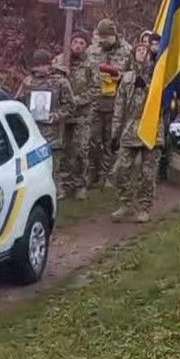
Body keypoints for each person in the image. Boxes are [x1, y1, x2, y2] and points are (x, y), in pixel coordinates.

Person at [109, 42, 160, 224]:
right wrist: (115, 133)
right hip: (130, 129)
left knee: (147, 173)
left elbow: (162, 100)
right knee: (121, 169)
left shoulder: (157, 75)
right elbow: (119, 106)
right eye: (138, 50)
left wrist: (146, 86)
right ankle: (125, 203)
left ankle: (144, 207)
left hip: (151, 129)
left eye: (145, 50)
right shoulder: (127, 78)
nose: (141, 53)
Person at [15, 49, 74, 197]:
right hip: (33, 131)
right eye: (38, 65)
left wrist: (55, 116)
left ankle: (57, 191)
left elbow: (70, 106)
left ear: (49, 65)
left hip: (53, 132)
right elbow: (18, 102)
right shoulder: (28, 82)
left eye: (44, 65)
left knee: (54, 163)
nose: (41, 69)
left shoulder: (60, 82)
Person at [87, 18, 131, 189]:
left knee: (111, 140)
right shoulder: (92, 50)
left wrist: (121, 77)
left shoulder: (127, 51)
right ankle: (92, 172)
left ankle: (106, 175)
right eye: (100, 37)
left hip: (116, 103)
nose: (102, 40)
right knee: (92, 139)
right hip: (95, 101)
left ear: (114, 35)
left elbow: (135, 73)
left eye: (106, 37)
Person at [54, 30, 97, 199]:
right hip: (63, 114)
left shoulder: (90, 64)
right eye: (75, 42)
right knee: (62, 149)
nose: (78, 46)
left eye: (81, 43)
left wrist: (76, 100)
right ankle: (63, 185)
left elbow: (95, 88)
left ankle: (80, 184)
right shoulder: (59, 61)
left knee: (80, 149)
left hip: (82, 114)